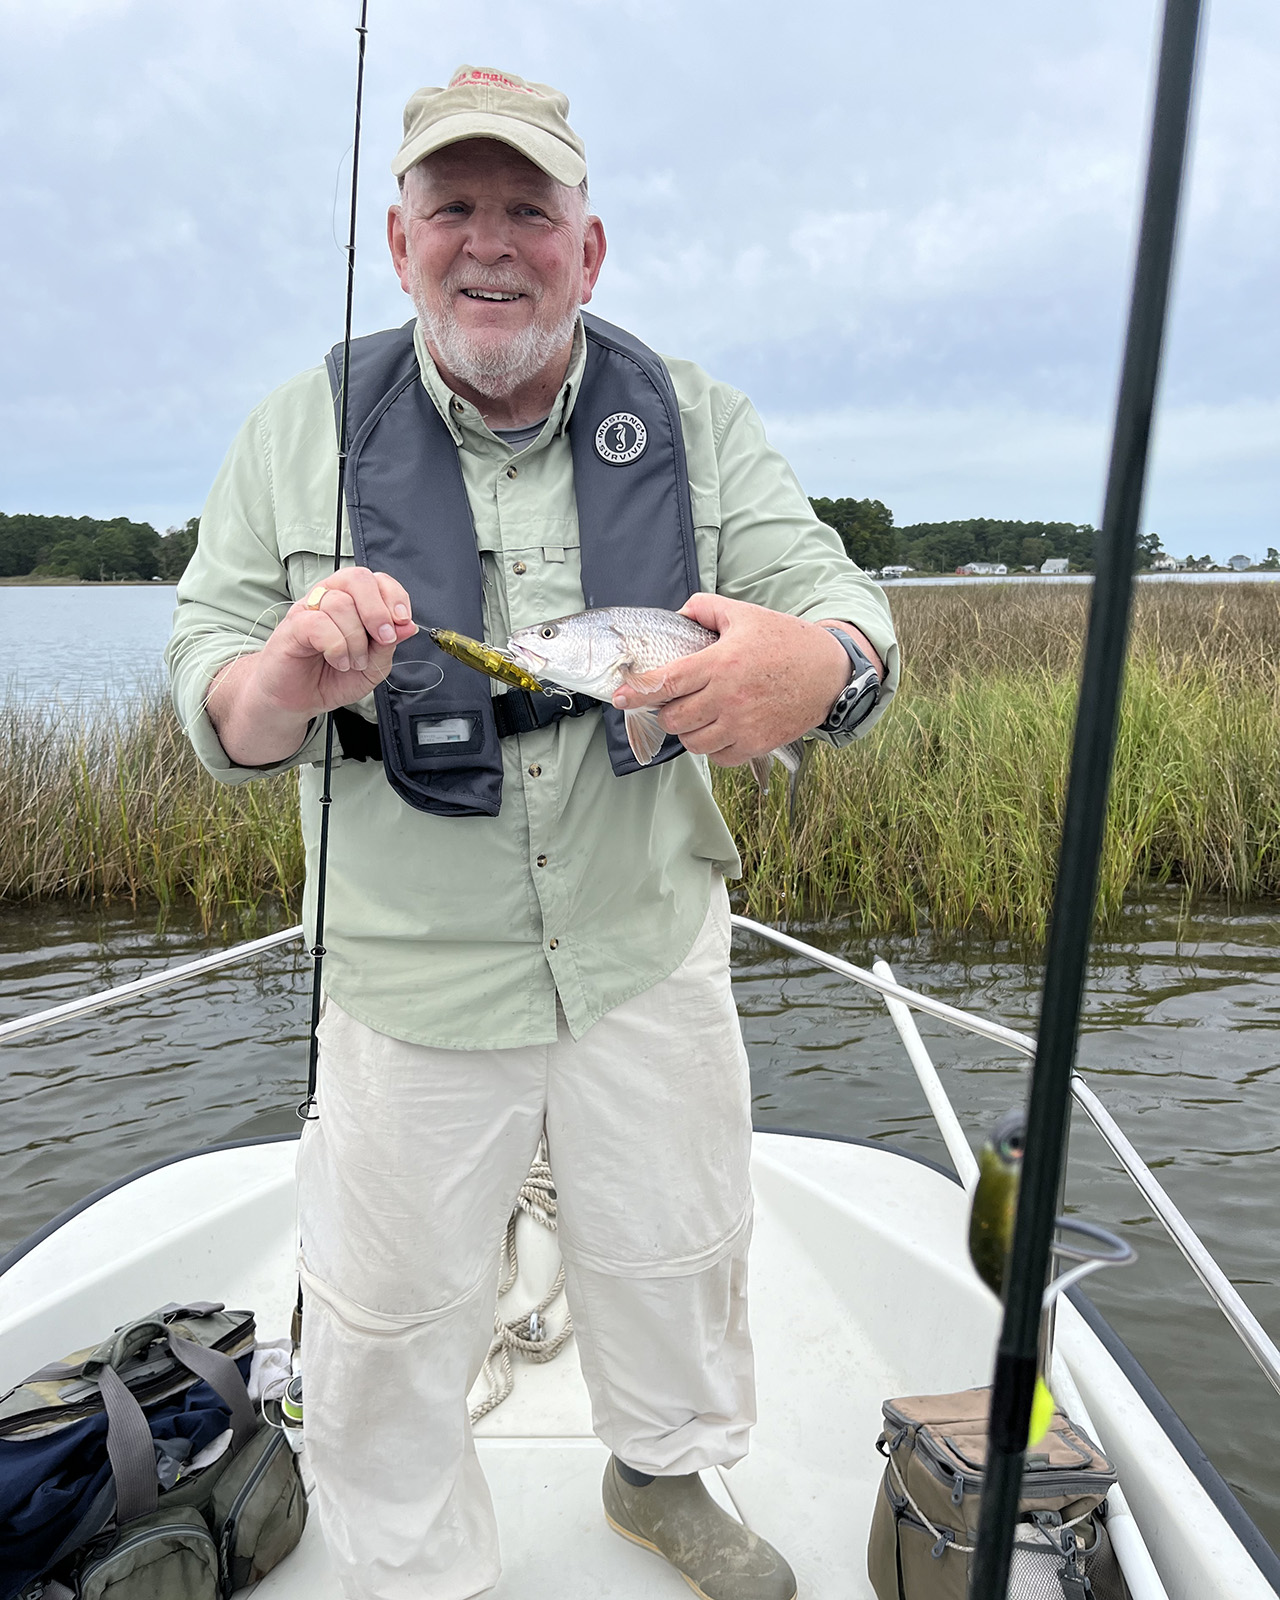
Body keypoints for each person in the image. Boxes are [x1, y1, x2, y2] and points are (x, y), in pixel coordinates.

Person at [168, 63, 899, 1600]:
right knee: (385, 1320)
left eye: (528, 210)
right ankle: (420, 1567)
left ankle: (663, 1475)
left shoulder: (695, 419)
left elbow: (848, 615)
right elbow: (213, 696)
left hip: (646, 942)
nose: (489, 243)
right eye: (454, 207)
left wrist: (816, 673)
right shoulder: (294, 432)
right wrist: (284, 682)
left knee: (678, 1251)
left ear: (590, 246)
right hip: (408, 976)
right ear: (398, 237)